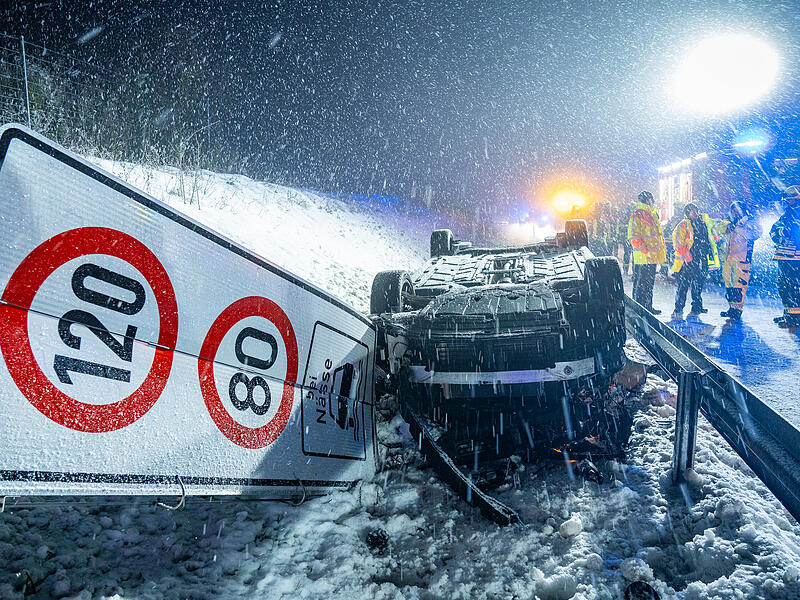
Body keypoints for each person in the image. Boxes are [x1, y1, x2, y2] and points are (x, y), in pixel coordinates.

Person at [670, 203, 720, 319]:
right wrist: (688, 259)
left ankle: (697, 306)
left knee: (698, 285)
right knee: (683, 285)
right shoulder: (683, 225)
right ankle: (678, 308)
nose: (696, 213)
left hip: (701, 259)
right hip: (689, 260)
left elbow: (712, 237)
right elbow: (678, 243)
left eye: (696, 211)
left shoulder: (704, 224)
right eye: (693, 211)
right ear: (687, 213)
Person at [717, 201, 760, 321]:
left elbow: (755, 233)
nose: (735, 212)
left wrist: (738, 227)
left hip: (742, 259)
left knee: (739, 286)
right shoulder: (728, 222)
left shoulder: (750, 221)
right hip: (728, 259)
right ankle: (732, 308)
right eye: (733, 210)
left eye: (737, 210)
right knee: (729, 286)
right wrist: (729, 226)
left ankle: (738, 310)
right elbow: (716, 229)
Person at [628, 191, 666, 314]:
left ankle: (648, 307)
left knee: (648, 284)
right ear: (647, 200)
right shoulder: (639, 215)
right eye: (651, 198)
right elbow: (634, 237)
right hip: (644, 257)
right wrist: (645, 251)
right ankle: (639, 308)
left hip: (651, 257)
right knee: (641, 284)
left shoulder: (651, 214)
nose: (653, 201)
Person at [770, 185, 800, 328]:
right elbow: (774, 230)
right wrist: (780, 233)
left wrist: (785, 231)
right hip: (783, 257)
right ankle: (787, 314)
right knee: (784, 287)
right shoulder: (788, 213)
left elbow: (792, 232)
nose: (788, 202)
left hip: (795, 259)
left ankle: (794, 318)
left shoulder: (797, 214)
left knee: (793, 288)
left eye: (791, 199)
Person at [616, 203, 634, 275]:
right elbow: (621, 227)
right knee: (628, 254)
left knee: (628, 254)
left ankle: (626, 269)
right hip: (628, 239)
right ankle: (626, 269)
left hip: (628, 239)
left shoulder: (628, 216)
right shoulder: (629, 217)